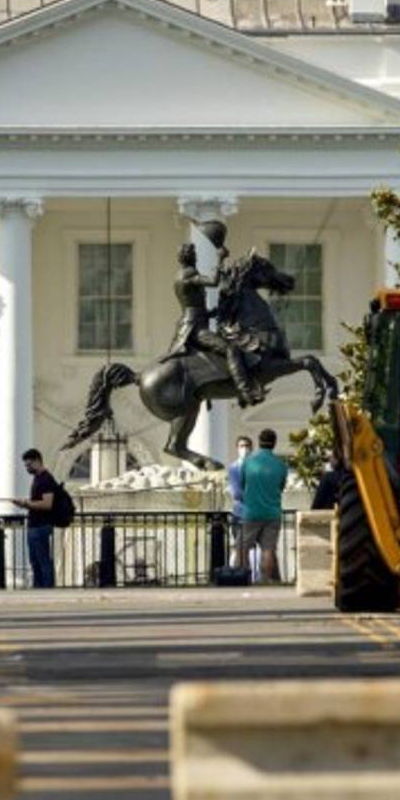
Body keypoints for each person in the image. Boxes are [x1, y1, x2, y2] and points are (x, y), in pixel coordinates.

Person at [162, 237, 263, 406]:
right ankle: (245, 392)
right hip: (195, 329)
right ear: (190, 257)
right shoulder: (188, 275)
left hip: (195, 322)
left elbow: (192, 305)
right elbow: (214, 281)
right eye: (194, 254)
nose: (196, 257)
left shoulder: (181, 275)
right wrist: (220, 257)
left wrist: (211, 313)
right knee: (231, 349)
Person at [239, 428, 288, 584]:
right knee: (268, 549)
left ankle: (243, 577)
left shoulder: (248, 462)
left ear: (259, 442)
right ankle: (265, 579)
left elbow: (242, 484)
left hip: (251, 512)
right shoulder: (281, 465)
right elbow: (281, 487)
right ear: (274, 444)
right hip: (272, 513)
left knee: (243, 548)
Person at [14, 449, 58, 589]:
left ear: (38, 460)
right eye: (26, 466)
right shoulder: (38, 478)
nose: (27, 468)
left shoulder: (46, 479)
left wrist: (26, 503)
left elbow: (47, 503)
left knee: (43, 561)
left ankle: (46, 588)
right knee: (35, 561)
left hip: (41, 526)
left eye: (29, 465)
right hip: (34, 526)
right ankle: (39, 588)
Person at [226, 435, 253, 568]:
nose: (245, 449)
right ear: (237, 448)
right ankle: (241, 575)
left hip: (255, 514)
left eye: (247, 446)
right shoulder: (234, 468)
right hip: (240, 514)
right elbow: (237, 493)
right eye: (242, 446)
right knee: (241, 548)